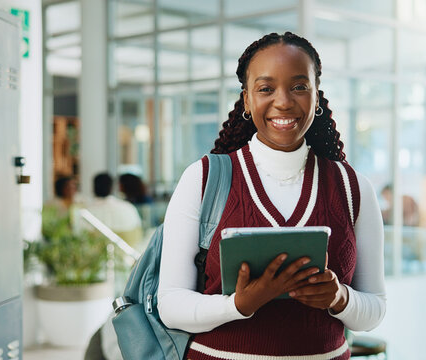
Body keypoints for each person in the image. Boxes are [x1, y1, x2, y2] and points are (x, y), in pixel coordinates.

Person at [158, 32, 386, 359]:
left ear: (316, 97)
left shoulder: (352, 188)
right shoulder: (204, 178)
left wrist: (338, 298)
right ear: (247, 100)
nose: (283, 101)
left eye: (299, 87)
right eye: (266, 88)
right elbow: (170, 304)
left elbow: (375, 308)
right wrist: (237, 305)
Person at [83, 172, 143, 248]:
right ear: (112, 188)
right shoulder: (128, 208)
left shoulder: (86, 213)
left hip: (97, 257)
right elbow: (138, 237)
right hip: (126, 257)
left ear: (93, 188)